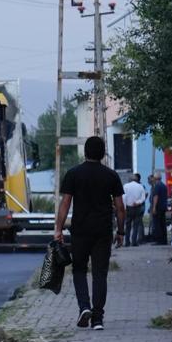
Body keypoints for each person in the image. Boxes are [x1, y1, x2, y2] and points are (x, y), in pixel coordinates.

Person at [53, 135, 125, 330]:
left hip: (80, 231)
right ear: (102, 153)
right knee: (100, 274)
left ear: (85, 152)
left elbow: (65, 204)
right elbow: (120, 207)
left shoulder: (73, 174)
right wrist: (121, 232)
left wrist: (58, 229)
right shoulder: (111, 175)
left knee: (79, 270)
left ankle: (84, 307)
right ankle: (98, 318)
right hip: (103, 231)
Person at [122, 173, 147, 247]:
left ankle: (127, 242)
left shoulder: (125, 186)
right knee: (136, 225)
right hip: (137, 207)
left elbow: (123, 197)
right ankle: (134, 242)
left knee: (128, 225)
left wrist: (124, 208)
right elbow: (143, 197)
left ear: (130, 180)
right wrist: (137, 202)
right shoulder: (140, 186)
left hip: (128, 208)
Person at [148, 172, 169, 245]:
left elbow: (155, 197)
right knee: (162, 224)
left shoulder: (157, 186)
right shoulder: (163, 185)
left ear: (155, 178)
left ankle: (159, 240)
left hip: (158, 207)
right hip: (163, 207)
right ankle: (164, 240)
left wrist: (154, 207)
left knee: (157, 224)